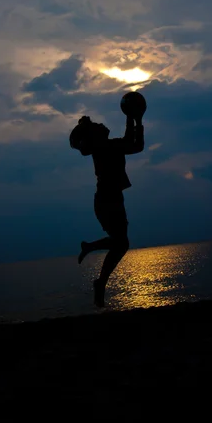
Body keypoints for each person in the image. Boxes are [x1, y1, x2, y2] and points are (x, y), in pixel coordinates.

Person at [69, 111, 145, 307]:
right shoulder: (103, 147)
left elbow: (134, 144)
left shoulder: (108, 145)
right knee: (121, 243)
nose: (103, 125)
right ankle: (98, 274)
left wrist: (134, 119)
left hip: (111, 199)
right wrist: (136, 119)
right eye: (99, 125)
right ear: (96, 134)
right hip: (106, 200)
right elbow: (136, 145)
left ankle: (99, 279)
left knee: (121, 243)